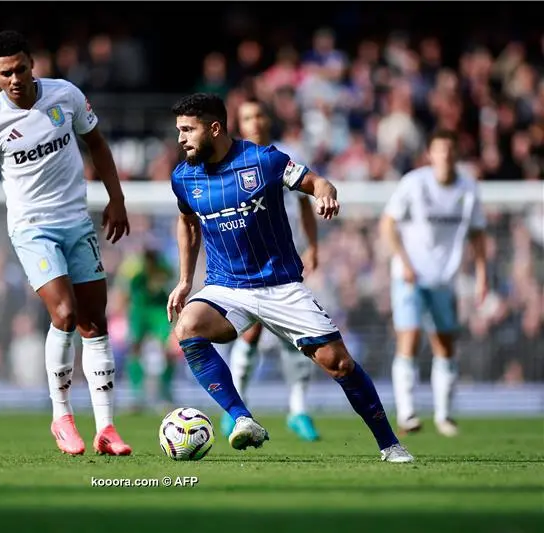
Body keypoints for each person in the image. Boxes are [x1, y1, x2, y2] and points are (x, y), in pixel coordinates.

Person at [166, 93, 413, 462]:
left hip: (280, 286)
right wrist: (186, 280)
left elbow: (318, 183)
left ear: (214, 128)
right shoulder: (184, 178)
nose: (181, 138)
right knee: (187, 327)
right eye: (179, 131)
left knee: (339, 364)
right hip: (226, 287)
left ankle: (390, 444)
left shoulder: (264, 161)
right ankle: (241, 418)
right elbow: (187, 224)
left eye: (188, 130)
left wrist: (325, 194)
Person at [0, 30, 132, 456]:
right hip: (32, 229)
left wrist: (117, 198)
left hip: (77, 221)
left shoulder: (66, 96)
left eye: (20, 68)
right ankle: (61, 417)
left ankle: (107, 428)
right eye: (5, 73)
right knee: (65, 312)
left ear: (32, 63)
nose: (15, 78)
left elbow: (97, 144)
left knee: (95, 321)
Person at [219, 98, 321, 442]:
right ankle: (236, 407)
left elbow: (305, 202)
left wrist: (314, 245)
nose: (255, 121)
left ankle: (299, 410)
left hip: (283, 259)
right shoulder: (231, 159)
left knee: (299, 335)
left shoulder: (283, 157)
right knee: (249, 333)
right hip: (247, 264)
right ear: (240, 123)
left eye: (260, 114)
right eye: (248, 116)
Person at [380, 129, 488, 437]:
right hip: (409, 277)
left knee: (445, 345)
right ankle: (407, 413)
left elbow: (478, 234)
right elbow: (387, 224)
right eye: (440, 150)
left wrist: (481, 275)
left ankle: (444, 416)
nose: (446, 156)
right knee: (409, 339)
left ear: (456, 154)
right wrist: (404, 261)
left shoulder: (468, 189)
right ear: (430, 154)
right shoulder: (414, 183)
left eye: (451, 150)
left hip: (444, 278)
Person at [116, 247, 177, 411]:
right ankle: (136, 395)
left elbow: (171, 282)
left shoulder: (164, 266)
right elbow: (124, 289)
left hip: (158, 310)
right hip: (140, 309)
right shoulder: (133, 268)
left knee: (169, 349)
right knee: (135, 349)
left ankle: (166, 393)